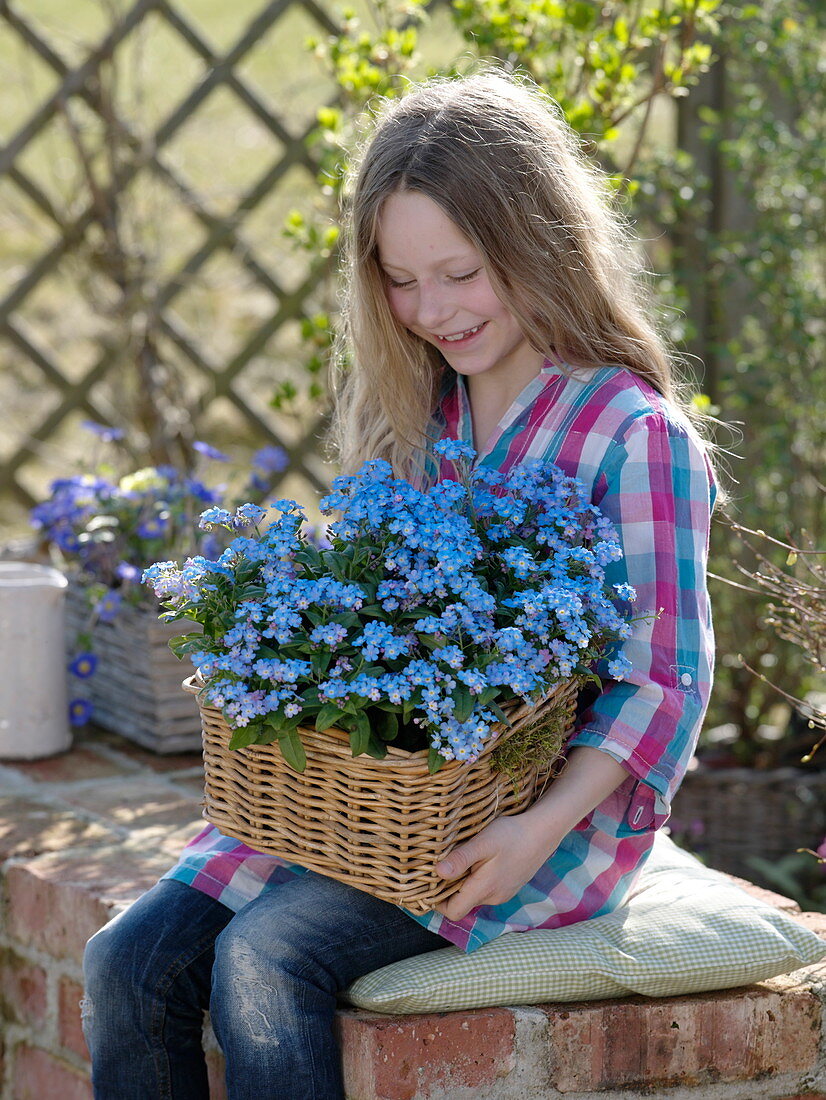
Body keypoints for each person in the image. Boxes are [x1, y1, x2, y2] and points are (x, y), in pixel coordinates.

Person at [82, 68, 715, 1099]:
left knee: (265, 956)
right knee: (126, 961)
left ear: (537, 243)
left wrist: (528, 830)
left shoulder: (632, 436)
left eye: (461, 273)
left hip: (543, 819)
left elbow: (663, 681)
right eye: (400, 278)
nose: (431, 310)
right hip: (380, 795)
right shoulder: (422, 415)